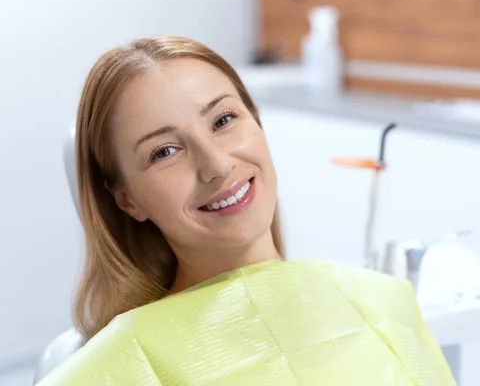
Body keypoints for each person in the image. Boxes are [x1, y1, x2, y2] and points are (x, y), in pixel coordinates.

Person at [37, 36, 456, 385]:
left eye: (223, 120)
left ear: (257, 122)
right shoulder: (109, 372)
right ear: (126, 200)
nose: (217, 165)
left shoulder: (385, 304)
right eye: (164, 151)